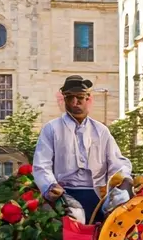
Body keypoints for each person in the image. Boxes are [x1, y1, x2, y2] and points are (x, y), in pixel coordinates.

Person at [32, 75, 132, 221]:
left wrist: (124, 179)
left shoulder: (101, 130)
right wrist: (50, 186)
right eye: (69, 97)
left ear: (87, 98)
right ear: (64, 99)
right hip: (64, 194)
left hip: (98, 196)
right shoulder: (52, 128)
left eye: (79, 97)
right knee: (76, 216)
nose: (74, 102)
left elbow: (117, 163)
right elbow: (41, 165)